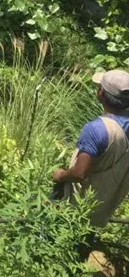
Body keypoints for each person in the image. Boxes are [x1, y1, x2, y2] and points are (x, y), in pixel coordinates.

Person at [53, 69, 129, 228]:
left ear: (101, 92)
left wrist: (61, 175)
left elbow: (79, 173)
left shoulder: (96, 129)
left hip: (81, 204)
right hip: (107, 201)